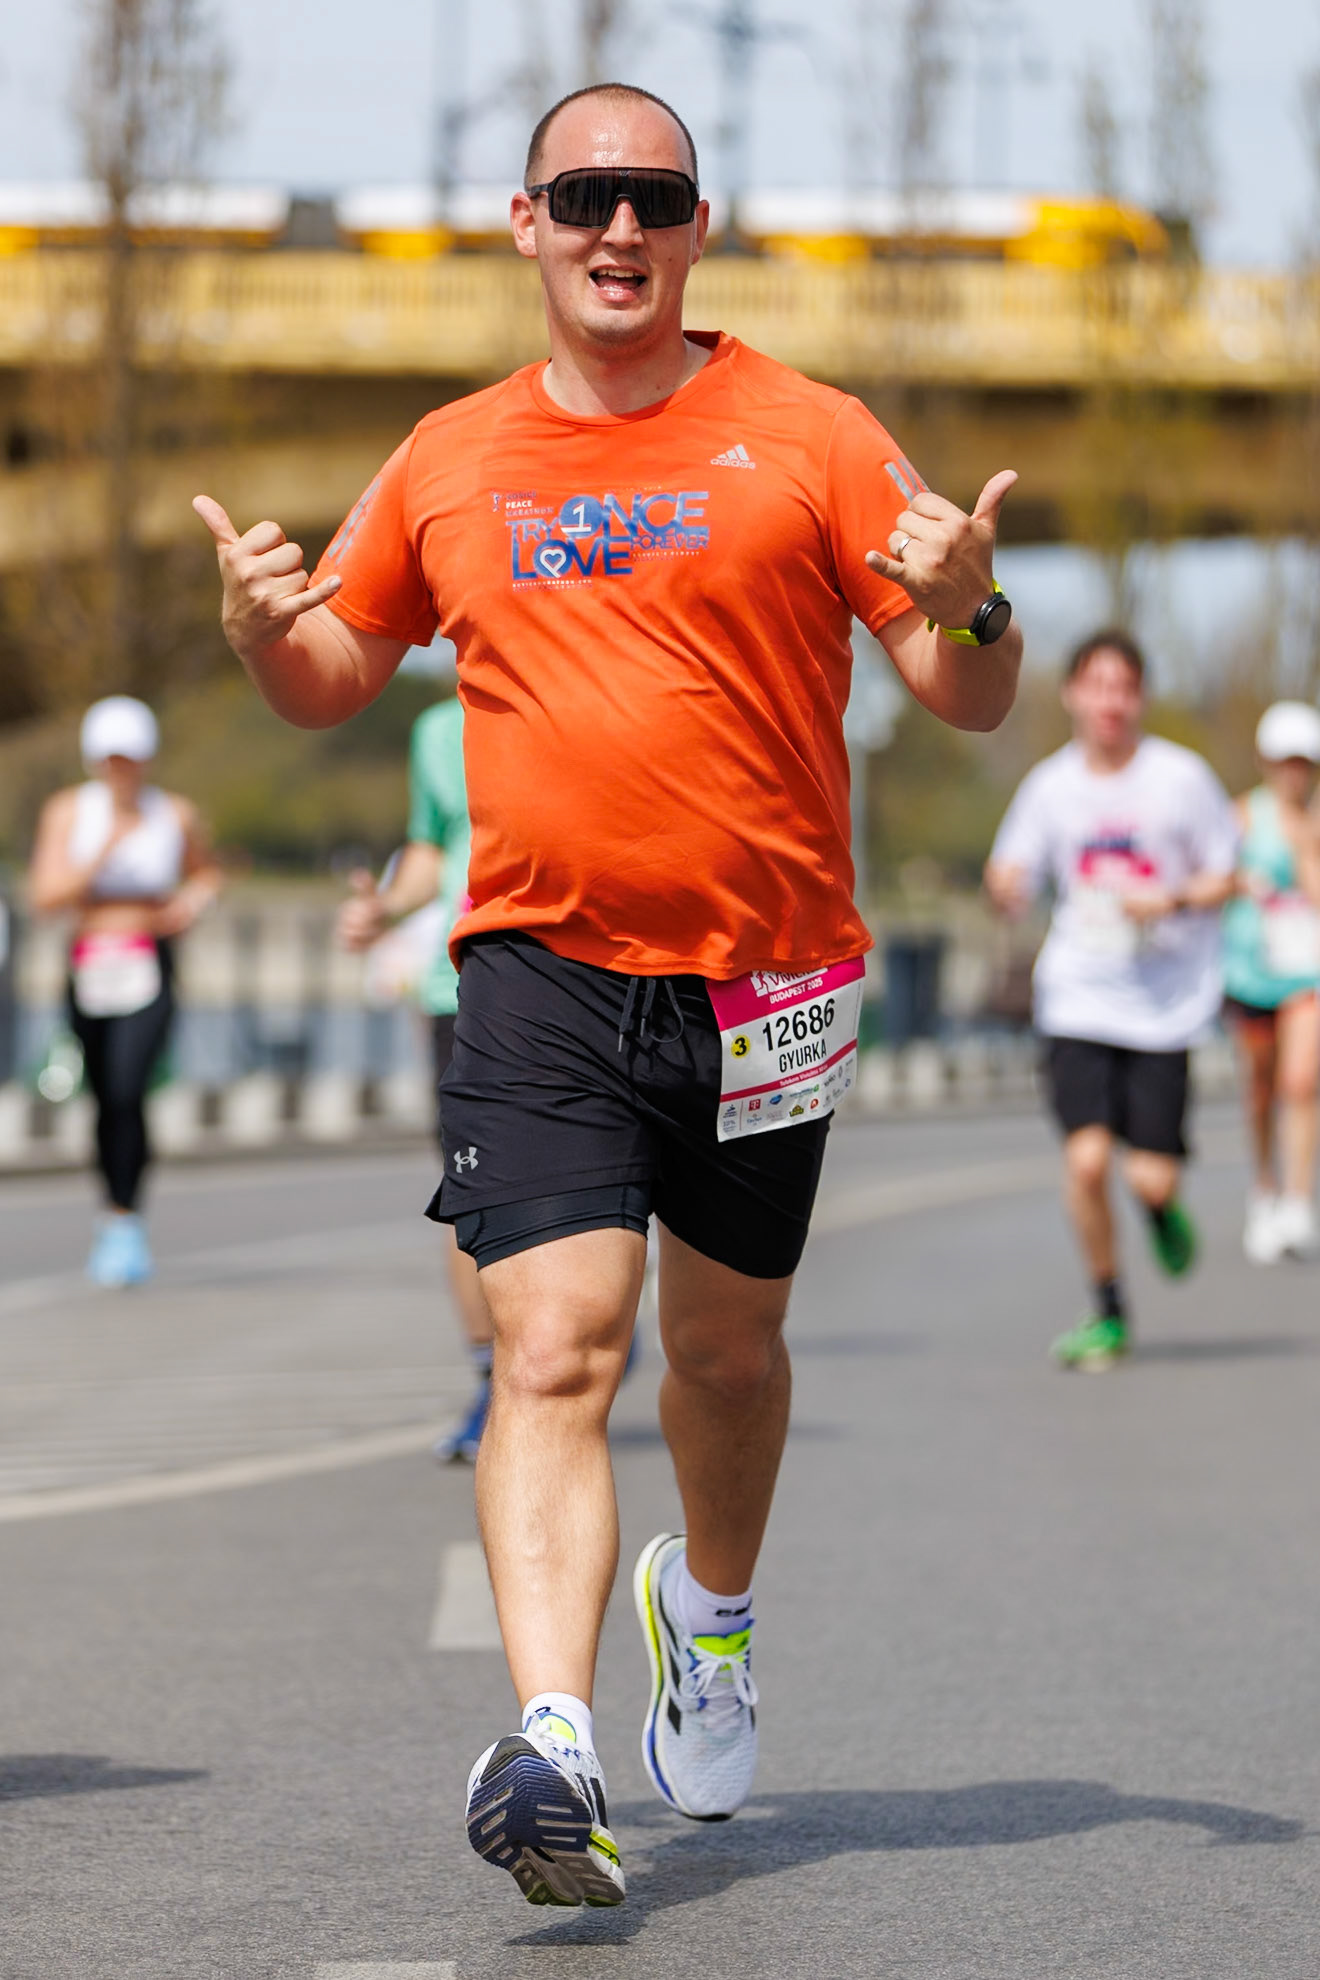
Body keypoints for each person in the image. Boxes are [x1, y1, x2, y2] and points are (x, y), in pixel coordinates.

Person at [195, 81, 1022, 1909]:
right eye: (583, 197)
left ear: (700, 226)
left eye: (653, 196)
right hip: (538, 970)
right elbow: (334, 673)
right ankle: (556, 1742)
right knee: (556, 1348)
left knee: (723, 1356)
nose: (618, 229)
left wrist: (974, 607)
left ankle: (709, 1623)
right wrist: (262, 633)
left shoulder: (813, 435)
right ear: (527, 223)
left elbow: (966, 692)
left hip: (767, 978)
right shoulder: (450, 455)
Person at [985, 631, 1238, 1370]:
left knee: (1148, 1174)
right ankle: (1109, 1309)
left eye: (1123, 687)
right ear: (1072, 694)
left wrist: (1172, 898)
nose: (1110, 701)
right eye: (1097, 685)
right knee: (1088, 1161)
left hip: (1165, 1004)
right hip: (1079, 996)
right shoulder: (1050, 787)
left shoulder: (1181, 778)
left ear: (1141, 697)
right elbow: (1012, 876)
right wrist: (1004, 888)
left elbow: (1227, 875)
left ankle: (1160, 1208)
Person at [337, 689, 496, 1458]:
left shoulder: (590, 679)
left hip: (572, 977)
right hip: (458, 986)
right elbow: (430, 850)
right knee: (468, 1190)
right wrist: (387, 908)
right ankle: (492, 1380)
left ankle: (585, 1325)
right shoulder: (439, 730)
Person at [26, 695, 223, 1286]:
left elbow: (206, 872)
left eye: (130, 758)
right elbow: (44, 896)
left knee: (130, 1085)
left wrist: (191, 903)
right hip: (90, 961)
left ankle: (125, 1218)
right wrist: (104, 851)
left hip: (147, 962)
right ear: (95, 760)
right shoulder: (69, 811)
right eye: (111, 759)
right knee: (104, 1094)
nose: (121, 770)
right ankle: (110, 1211)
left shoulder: (174, 812)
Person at [1222, 700, 1320, 1264]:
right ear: (1266, 762)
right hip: (1251, 971)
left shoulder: (1315, 825)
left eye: (1303, 763)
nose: (1294, 773)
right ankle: (1264, 1188)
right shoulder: (1241, 816)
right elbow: (1210, 877)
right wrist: (1240, 881)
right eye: (1285, 761)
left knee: (1300, 1081)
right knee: (1260, 1088)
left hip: (1306, 972)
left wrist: (1306, 849)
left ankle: (1299, 1199)